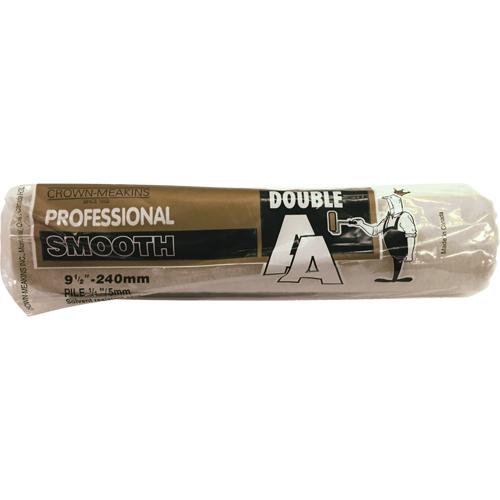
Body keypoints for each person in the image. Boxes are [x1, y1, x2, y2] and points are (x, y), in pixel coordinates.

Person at [347, 189, 417, 282]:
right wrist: (361, 224)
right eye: (389, 202)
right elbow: (374, 231)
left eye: (391, 201)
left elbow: (411, 236)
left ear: (397, 203)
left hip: (401, 251)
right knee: (395, 263)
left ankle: (396, 279)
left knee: (398, 263)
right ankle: (394, 279)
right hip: (392, 251)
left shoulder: (404, 217)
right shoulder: (387, 220)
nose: (390, 205)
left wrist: (409, 254)